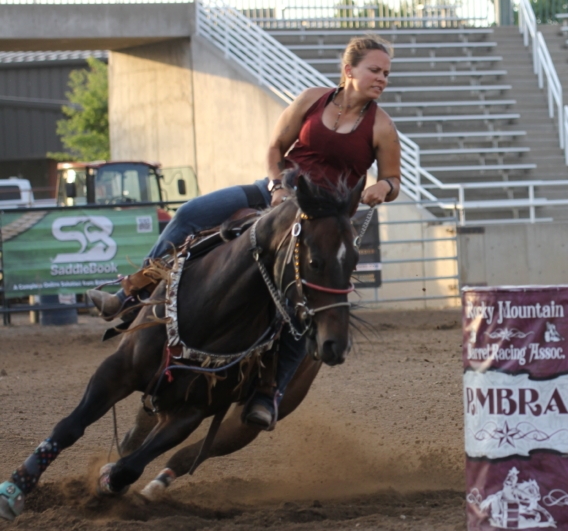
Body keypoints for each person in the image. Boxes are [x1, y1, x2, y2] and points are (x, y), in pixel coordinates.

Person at [87, 34, 401, 428]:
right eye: (375, 70)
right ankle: (129, 295)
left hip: (320, 224)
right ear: (349, 70)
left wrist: (383, 187)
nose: (382, 79)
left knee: (301, 305)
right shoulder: (311, 100)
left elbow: (394, 179)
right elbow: (275, 147)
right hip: (273, 196)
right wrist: (277, 185)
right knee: (192, 213)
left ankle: (270, 392)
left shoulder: (381, 127)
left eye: (386, 73)